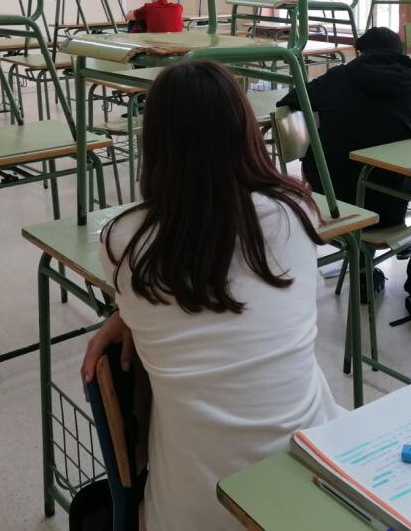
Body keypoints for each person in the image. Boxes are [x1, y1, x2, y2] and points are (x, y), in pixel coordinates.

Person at [81, 60, 343, 531]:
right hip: (318, 480)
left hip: (193, 511)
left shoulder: (122, 243)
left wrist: (125, 314)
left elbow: (181, 290)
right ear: (245, 129)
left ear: (155, 144)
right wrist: (129, 314)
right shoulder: (296, 212)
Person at [277, 27, 411, 229]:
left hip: (331, 200)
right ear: (401, 53)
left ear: (359, 53)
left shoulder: (338, 78)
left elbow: (290, 100)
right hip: (390, 209)